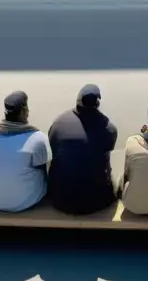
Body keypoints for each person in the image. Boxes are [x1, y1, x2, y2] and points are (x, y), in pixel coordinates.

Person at [47, 84, 119, 215]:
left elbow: (54, 148)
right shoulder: (109, 128)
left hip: (60, 199)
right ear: (97, 103)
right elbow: (107, 148)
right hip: (97, 201)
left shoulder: (58, 124)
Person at [0, 91, 50, 212]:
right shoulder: (37, 138)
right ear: (23, 111)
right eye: (27, 108)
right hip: (25, 202)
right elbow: (46, 171)